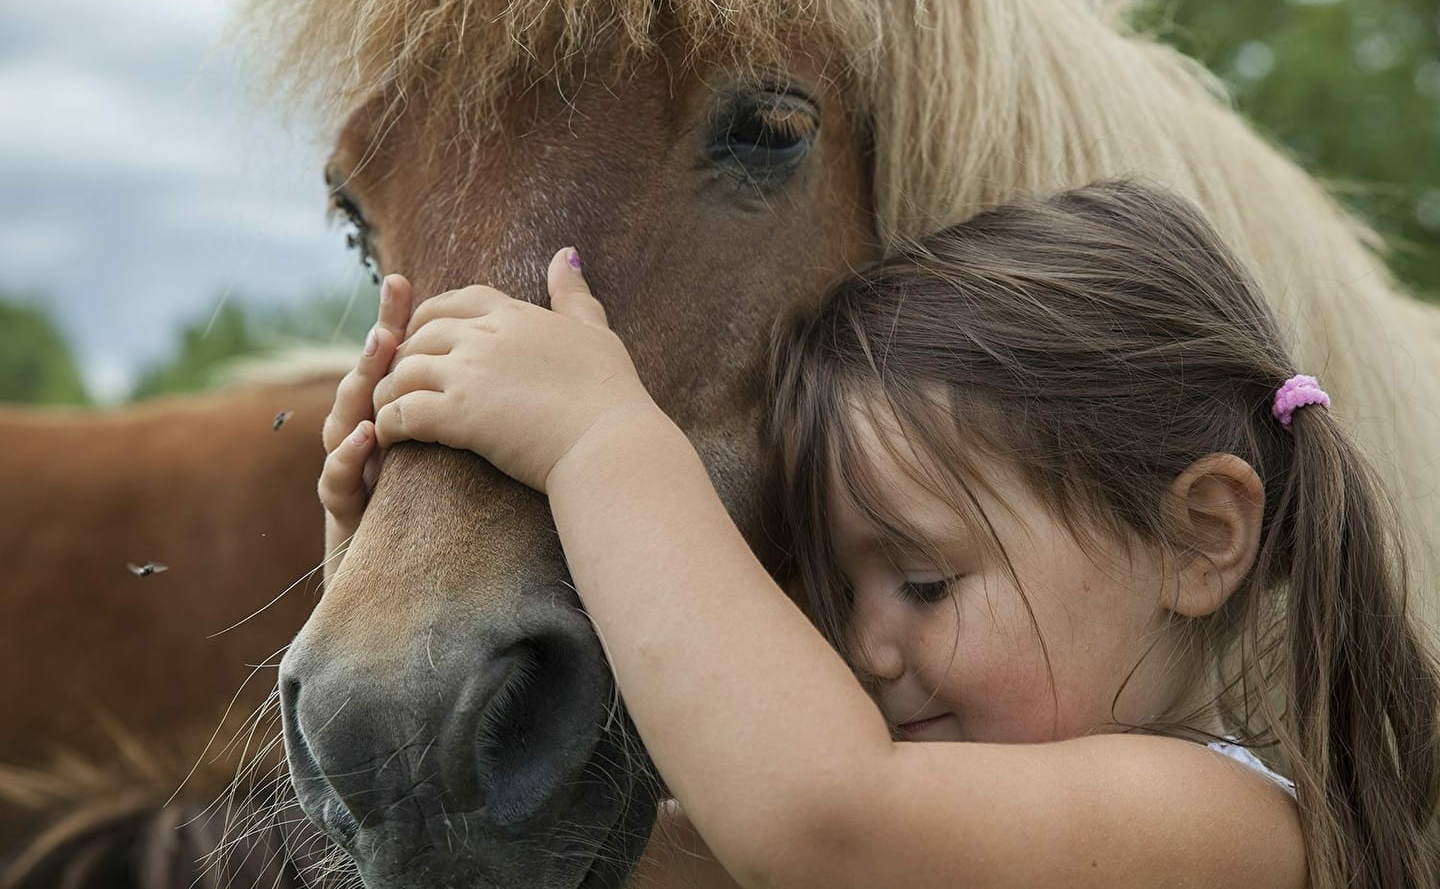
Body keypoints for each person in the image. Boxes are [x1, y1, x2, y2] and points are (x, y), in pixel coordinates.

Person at [317, 182, 1440, 888]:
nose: (871, 651)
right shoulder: (937, 815)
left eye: (926, 580)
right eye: (843, 595)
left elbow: (820, 818)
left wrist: (602, 443)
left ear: (1199, 540)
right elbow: (540, 861)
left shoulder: (1224, 825)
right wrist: (364, 556)